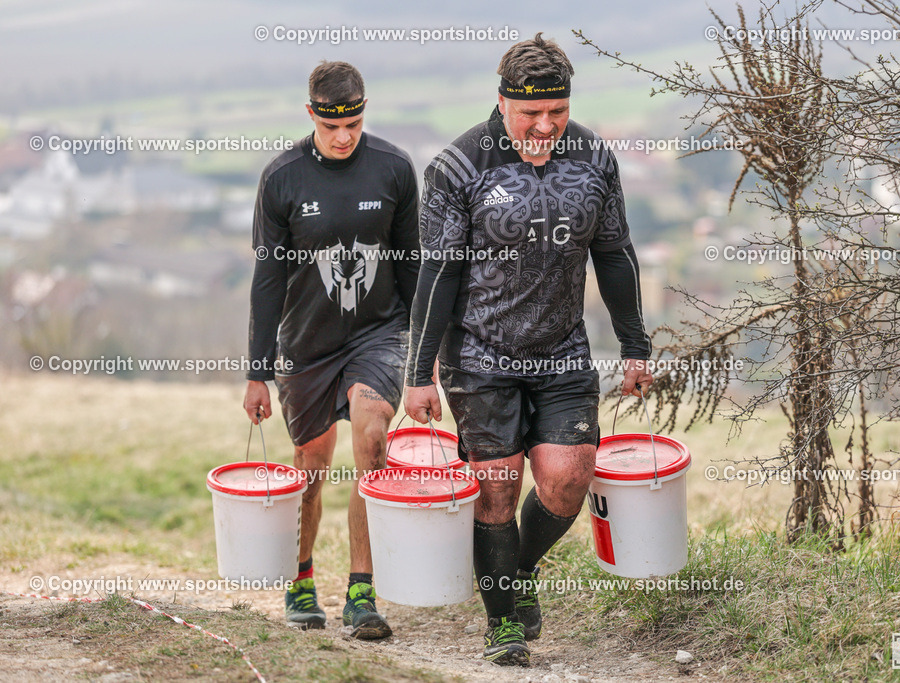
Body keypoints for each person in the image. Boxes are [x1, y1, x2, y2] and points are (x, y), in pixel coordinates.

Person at [403, 33, 653, 666]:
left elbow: (615, 255)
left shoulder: (594, 157)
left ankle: (514, 572)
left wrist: (635, 345)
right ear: (502, 102)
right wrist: (418, 370)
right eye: (530, 115)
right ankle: (503, 626)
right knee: (495, 489)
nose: (545, 127)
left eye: (558, 114)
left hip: (562, 348)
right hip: (480, 355)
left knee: (569, 480)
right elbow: (438, 273)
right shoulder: (460, 165)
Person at [243, 60, 419, 638]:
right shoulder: (283, 177)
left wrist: (426, 353)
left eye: (355, 123)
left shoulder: (394, 168)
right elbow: (268, 281)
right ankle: (300, 580)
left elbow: (413, 266)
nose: (344, 137)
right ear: (312, 114)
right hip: (306, 344)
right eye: (332, 126)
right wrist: (257, 372)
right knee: (313, 466)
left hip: (377, 333)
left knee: (372, 432)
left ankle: (362, 592)